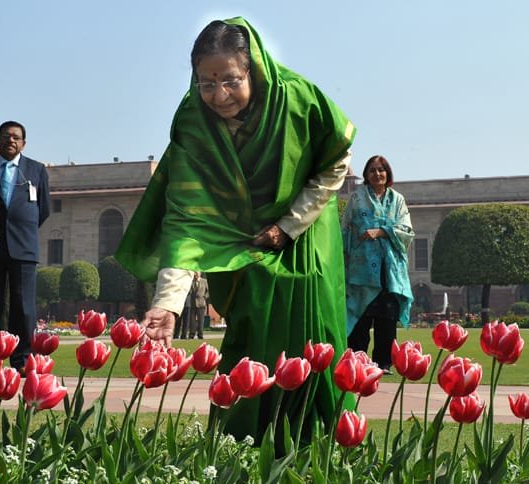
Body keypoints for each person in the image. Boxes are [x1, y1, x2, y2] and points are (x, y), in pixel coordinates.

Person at [116, 17, 355, 442]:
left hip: (306, 231)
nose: (219, 95)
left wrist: (289, 224)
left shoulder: (298, 100)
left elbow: (337, 159)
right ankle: (243, 445)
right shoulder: (194, 123)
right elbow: (185, 218)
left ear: (253, 69)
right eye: (207, 84)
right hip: (242, 242)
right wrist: (168, 304)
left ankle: (320, 446)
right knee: (250, 336)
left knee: (312, 338)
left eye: (230, 80)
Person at [0, 121, 50, 373]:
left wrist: (22, 228)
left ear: (23, 143)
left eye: (16, 137)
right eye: (6, 136)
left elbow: (43, 209)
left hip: (24, 246)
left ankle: (22, 359)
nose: (11, 140)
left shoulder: (37, 170)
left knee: (24, 306)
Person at [342, 155, 414, 373]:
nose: (377, 174)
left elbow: (407, 230)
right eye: (372, 170)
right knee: (361, 315)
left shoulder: (398, 200)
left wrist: (381, 232)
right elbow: (345, 229)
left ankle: (383, 363)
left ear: (387, 173)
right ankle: (356, 361)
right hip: (361, 267)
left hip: (389, 269)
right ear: (366, 175)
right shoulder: (357, 198)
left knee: (387, 318)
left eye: (381, 169)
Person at [186, 273, 209, 339]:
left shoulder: (204, 281)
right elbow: (189, 291)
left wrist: (204, 297)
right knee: (192, 320)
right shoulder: (191, 281)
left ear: (200, 273)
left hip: (201, 303)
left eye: (197, 272)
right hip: (193, 303)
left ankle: (200, 334)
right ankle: (191, 334)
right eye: (194, 273)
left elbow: (208, 291)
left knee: (200, 320)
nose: (195, 274)